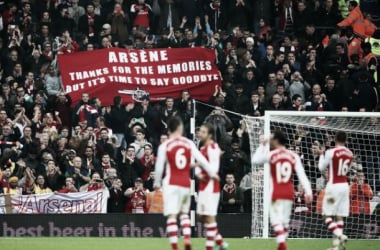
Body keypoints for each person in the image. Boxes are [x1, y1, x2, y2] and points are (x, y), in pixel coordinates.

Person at [154, 116, 216, 250]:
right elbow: (202, 160)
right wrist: (211, 173)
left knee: (172, 215)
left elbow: (159, 167)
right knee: (184, 214)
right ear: (180, 127)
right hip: (185, 183)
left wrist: (156, 182)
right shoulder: (188, 143)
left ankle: (175, 246)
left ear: (169, 129)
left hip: (171, 183)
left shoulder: (165, 145)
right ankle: (187, 239)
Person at [252, 130, 313, 250]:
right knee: (284, 223)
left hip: (276, 191)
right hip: (289, 192)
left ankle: (282, 246)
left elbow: (255, 160)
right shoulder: (293, 155)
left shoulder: (272, 155)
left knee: (276, 221)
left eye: (272, 138)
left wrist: (262, 145)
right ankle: (282, 246)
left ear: (276, 140)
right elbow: (302, 175)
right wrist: (309, 191)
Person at [317, 131, 353, 250]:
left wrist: (321, 155)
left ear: (335, 139)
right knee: (339, 216)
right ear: (346, 140)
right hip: (345, 186)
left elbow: (321, 168)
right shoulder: (350, 153)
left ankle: (340, 235)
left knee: (325, 215)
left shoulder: (331, 152)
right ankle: (335, 247)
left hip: (334, 185)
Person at [195, 123, 228, 250]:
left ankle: (209, 247)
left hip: (211, 185)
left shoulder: (214, 147)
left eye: (203, 132)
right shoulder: (203, 149)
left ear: (209, 134)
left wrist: (209, 174)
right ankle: (220, 242)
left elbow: (214, 167)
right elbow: (200, 165)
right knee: (201, 216)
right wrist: (197, 173)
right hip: (203, 185)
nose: (200, 134)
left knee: (209, 216)